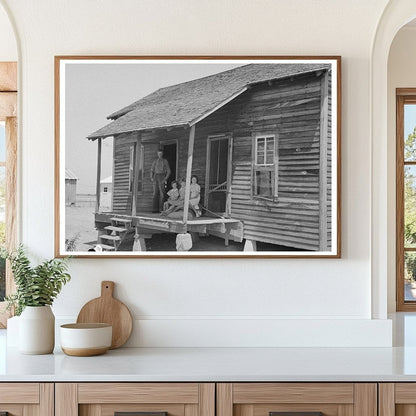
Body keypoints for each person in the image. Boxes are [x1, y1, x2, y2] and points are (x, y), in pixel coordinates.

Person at [150, 147, 171, 212]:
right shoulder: (155, 161)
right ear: (157, 154)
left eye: (161, 154)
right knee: (155, 193)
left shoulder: (165, 161)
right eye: (159, 154)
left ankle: (161, 209)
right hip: (156, 176)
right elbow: (152, 170)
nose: (160, 155)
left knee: (162, 193)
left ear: (162, 154)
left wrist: (165, 179)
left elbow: (169, 171)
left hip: (162, 176)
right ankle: (154, 209)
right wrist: (151, 177)